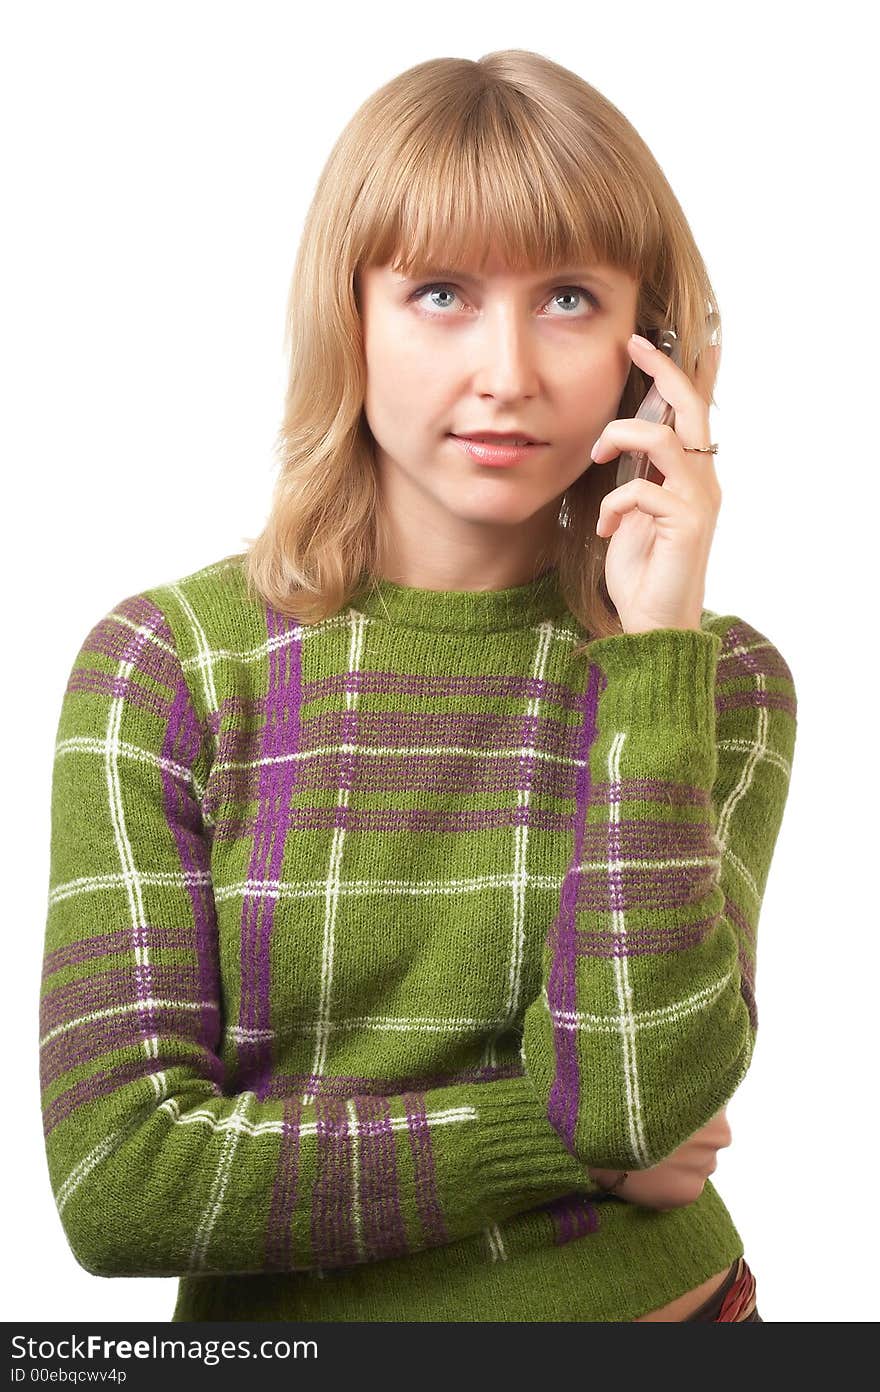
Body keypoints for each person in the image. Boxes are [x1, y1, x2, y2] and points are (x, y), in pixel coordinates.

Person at [39, 50, 795, 1323]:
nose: (506, 370)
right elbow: (123, 1184)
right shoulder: (168, 667)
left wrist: (652, 651)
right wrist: (564, 1151)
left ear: (648, 345)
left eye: (566, 297)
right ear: (351, 316)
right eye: (440, 292)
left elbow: (630, 1090)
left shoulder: (714, 681)